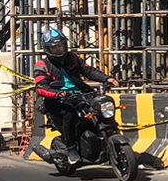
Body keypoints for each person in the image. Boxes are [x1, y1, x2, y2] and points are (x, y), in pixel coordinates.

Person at [33, 28, 116, 164]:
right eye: (55, 48)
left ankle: (108, 134)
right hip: (57, 101)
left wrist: (106, 78)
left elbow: (89, 71)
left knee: (102, 104)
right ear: (48, 49)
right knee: (69, 113)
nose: (59, 50)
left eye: (61, 46)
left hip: (81, 93)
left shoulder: (73, 58)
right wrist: (57, 93)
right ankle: (71, 148)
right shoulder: (42, 65)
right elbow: (41, 87)